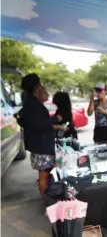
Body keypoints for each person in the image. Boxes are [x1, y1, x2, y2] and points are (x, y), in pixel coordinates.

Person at [18, 73, 66, 204]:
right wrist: (55, 119)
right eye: (41, 86)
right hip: (41, 146)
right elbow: (38, 124)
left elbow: (25, 122)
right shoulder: (33, 105)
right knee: (44, 174)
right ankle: (47, 202)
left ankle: (48, 199)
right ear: (37, 87)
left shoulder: (28, 103)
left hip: (38, 144)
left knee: (45, 172)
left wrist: (55, 126)